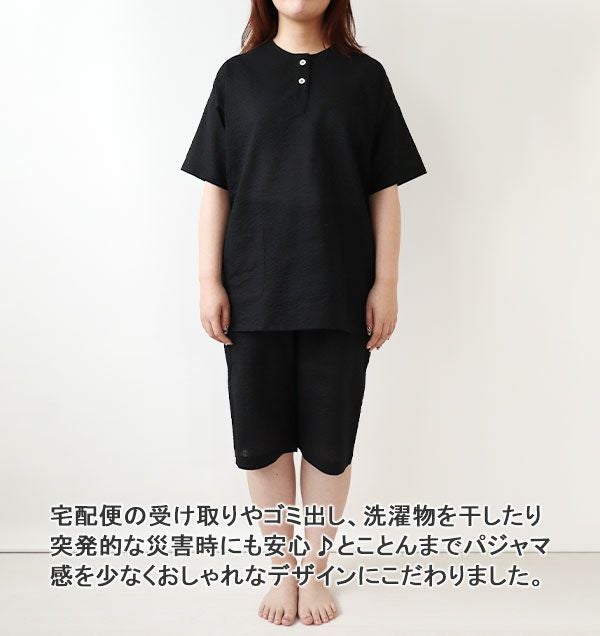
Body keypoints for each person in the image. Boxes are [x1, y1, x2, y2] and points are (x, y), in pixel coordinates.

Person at [181, 0, 426, 627]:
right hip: (253, 292)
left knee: (328, 444)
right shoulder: (236, 77)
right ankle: (281, 570)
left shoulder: (364, 78)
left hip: (339, 292)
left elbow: (385, 189)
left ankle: (315, 571)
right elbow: (216, 186)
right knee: (261, 444)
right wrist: (209, 280)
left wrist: (386, 283)